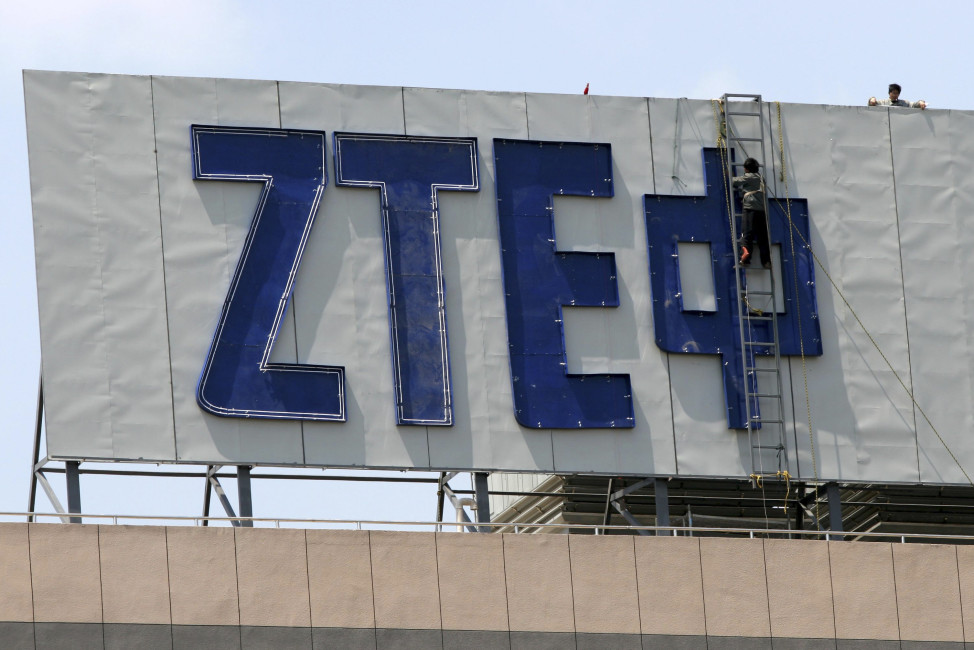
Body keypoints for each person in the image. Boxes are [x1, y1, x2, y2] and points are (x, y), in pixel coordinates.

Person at [733, 157, 771, 269]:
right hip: (762, 211)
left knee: (746, 235)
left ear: (747, 169)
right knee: (762, 237)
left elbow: (735, 182)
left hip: (750, 209)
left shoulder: (749, 177)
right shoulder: (761, 178)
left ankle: (745, 259)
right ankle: (766, 261)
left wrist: (727, 175)